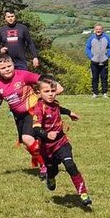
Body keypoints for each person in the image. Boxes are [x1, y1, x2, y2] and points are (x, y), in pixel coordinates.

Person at [31, 77, 91, 206]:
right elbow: (35, 129)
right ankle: (51, 178)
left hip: (62, 143)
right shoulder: (39, 108)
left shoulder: (56, 104)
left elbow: (59, 109)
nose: (51, 94)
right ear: (38, 93)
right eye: (46, 91)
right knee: (53, 171)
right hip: (47, 148)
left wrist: (70, 113)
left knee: (70, 165)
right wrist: (46, 134)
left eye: (53, 91)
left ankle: (83, 193)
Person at [0, 55, 44, 174]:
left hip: (32, 111)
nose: (7, 69)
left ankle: (45, 165)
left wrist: (51, 88)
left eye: (9, 66)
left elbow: (41, 79)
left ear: (13, 65)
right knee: (29, 144)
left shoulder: (22, 75)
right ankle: (46, 162)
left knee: (27, 139)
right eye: (3, 68)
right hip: (18, 117)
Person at [85, 23, 110, 97]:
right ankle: (95, 93)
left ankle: (104, 93)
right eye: (97, 29)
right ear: (95, 30)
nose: (98, 30)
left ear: (102, 30)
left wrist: (107, 56)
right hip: (94, 62)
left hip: (104, 61)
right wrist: (91, 57)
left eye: (100, 29)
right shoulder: (91, 38)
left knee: (104, 77)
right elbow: (87, 48)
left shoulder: (107, 38)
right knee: (94, 78)